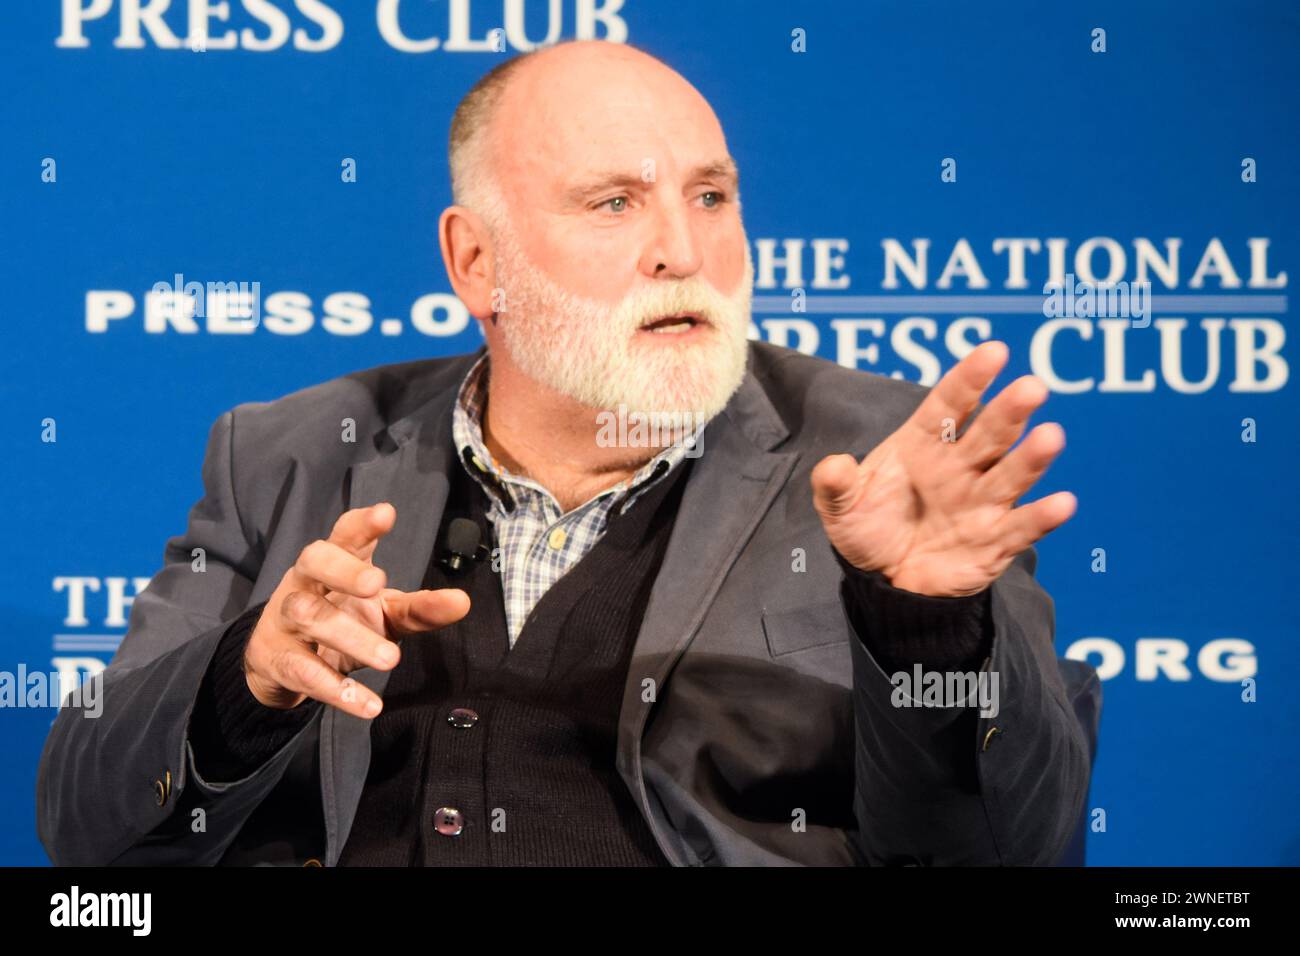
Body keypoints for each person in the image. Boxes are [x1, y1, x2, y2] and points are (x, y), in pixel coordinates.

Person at [37, 39, 1096, 867]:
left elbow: (1010, 851)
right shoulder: (293, 453)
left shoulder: (880, 462)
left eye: (710, 196)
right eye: (615, 202)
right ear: (476, 259)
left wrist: (925, 629)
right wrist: (247, 683)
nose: (682, 249)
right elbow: (81, 826)